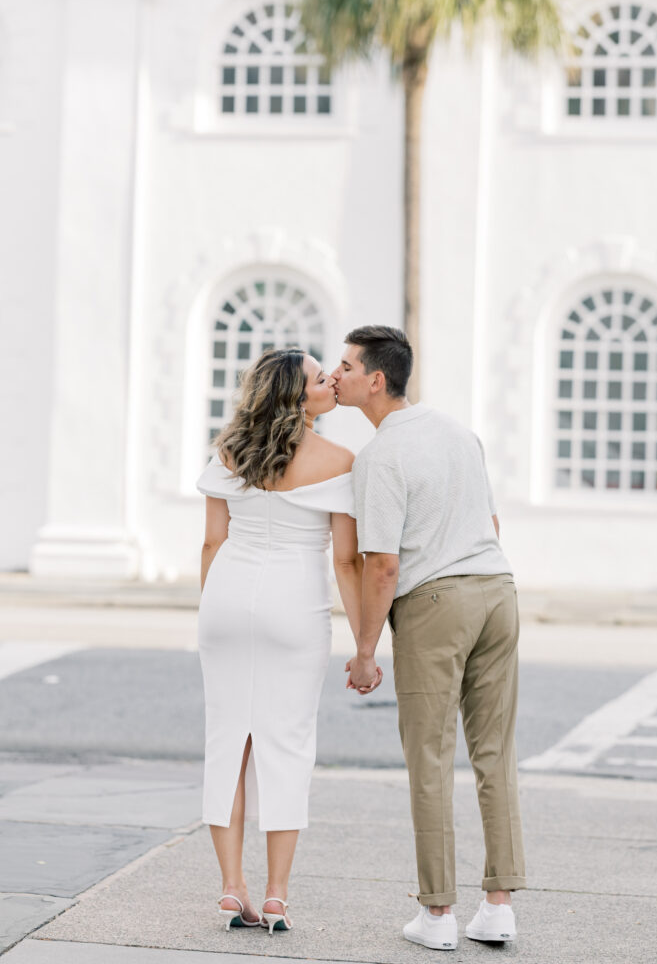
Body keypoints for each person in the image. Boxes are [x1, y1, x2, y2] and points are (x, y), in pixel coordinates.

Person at [331, 325, 526, 951]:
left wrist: (364, 650)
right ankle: (498, 907)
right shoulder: (457, 432)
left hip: (434, 602)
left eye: (345, 366)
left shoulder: (381, 456)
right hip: (497, 590)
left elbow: (381, 564)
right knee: (494, 752)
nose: (337, 375)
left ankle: (438, 915)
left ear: (376, 381)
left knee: (431, 758)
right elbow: (491, 520)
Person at [196, 348, 377, 935]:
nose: (330, 381)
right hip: (293, 602)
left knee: (229, 741)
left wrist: (212, 611)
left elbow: (211, 544)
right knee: (287, 745)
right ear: (299, 398)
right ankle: (275, 896)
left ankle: (230, 889)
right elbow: (347, 563)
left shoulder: (229, 450)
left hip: (226, 596)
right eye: (320, 377)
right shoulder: (338, 460)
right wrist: (365, 646)